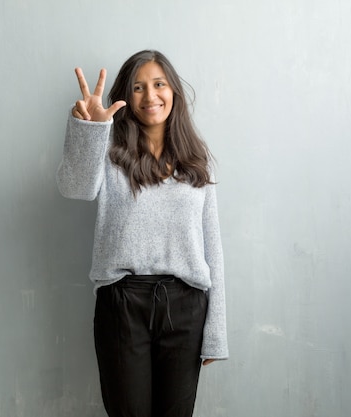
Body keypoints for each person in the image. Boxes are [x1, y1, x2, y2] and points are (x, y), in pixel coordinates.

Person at [56, 50, 228, 417]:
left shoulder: (197, 162)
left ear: (174, 92)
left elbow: (212, 248)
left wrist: (216, 332)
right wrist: (91, 130)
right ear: (126, 97)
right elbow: (76, 188)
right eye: (138, 87)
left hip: (186, 306)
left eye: (159, 84)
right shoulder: (109, 153)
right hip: (122, 303)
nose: (150, 96)